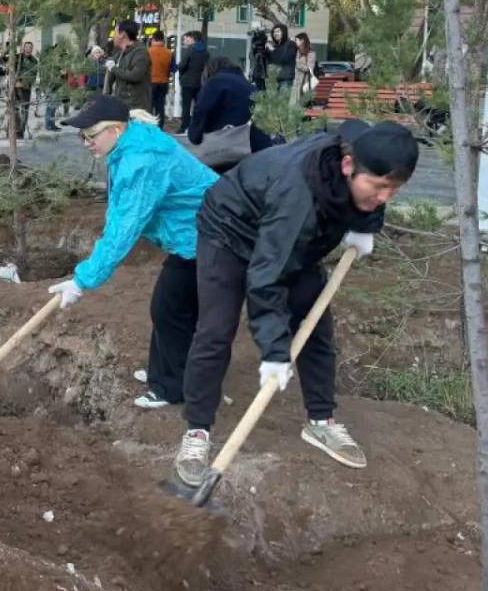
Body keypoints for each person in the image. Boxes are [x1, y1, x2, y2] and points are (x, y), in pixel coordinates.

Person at [172, 120, 420, 489]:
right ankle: (196, 432)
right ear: (348, 165)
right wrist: (274, 352)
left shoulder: (363, 149)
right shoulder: (297, 195)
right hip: (229, 229)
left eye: (394, 190)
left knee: (315, 322)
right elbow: (266, 277)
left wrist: (366, 222)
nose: (385, 196)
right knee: (215, 329)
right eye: (380, 187)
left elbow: (364, 160)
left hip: (288, 233)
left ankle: (321, 422)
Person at [47, 96, 217, 409]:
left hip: (210, 235)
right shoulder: (131, 146)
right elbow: (120, 213)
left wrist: (82, 280)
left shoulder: (141, 160)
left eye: (91, 135)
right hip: (195, 234)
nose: (86, 143)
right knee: (175, 308)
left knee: (169, 308)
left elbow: (124, 230)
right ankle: (167, 372)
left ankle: (171, 387)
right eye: (82, 136)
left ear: (116, 129)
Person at [187, 57, 273, 167]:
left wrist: (195, 135)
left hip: (226, 149)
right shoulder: (249, 86)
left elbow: (201, 109)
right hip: (254, 146)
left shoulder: (215, 82)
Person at [103, 20, 152, 113]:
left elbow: (136, 76)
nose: (113, 36)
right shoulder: (120, 53)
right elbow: (111, 73)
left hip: (136, 109)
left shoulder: (140, 52)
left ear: (123, 34)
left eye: (115, 32)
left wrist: (114, 68)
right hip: (122, 105)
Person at [176, 30, 209, 134]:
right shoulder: (205, 51)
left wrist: (181, 73)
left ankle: (184, 126)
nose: (185, 40)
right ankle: (198, 125)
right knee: (198, 105)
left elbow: (182, 65)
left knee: (186, 105)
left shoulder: (190, 50)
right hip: (199, 82)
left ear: (193, 39)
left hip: (187, 82)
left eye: (187, 38)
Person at [147, 30, 173, 129]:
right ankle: (159, 127)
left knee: (149, 106)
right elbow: (173, 69)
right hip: (163, 82)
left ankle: (149, 126)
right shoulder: (169, 53)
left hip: (151, 82)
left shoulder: (148, 52)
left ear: (153, 40)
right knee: (160, 106)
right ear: (163, 40)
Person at [14, 42, 39, 139]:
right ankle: (14, 129)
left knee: (24, 110)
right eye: (26, 47)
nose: (28, 49)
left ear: (32, 49)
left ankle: (21, 132)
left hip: (25, 89)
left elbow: (33, 77)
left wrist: (22, 83)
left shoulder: (34, 61)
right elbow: (10, 70)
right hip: (14, 88)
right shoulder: (17, 58)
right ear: (23, 48)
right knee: (14, 109)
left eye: (30, 48)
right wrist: (14, 82)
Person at [268, 23, 297, 92]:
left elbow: (284, 58)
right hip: (274, 81)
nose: (275, 34)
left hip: (285, 80)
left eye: (278, 31)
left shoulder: (291, 44)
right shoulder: (274, 46)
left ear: (283, 32)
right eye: (274, 32)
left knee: (284, 102)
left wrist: (273, 50)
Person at [291, 32, 318, 107]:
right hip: (295, 83)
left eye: (296, 40)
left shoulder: (311, 53)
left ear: (302, 40)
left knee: (303, 106)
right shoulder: (296, 52)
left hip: (305, 83)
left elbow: (309, 68)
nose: (295, 42)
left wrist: (296, 63)